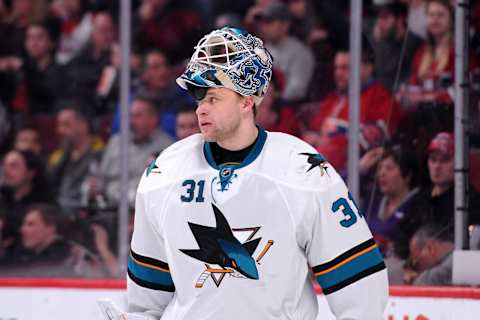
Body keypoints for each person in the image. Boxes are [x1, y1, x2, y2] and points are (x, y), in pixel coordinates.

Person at [115, 27, 388, 320]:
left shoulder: (304, 173)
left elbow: (362, 292)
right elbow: (145, 303)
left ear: (247, 101)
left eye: (213, 98)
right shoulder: (163, 175)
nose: (200, 110)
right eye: (198, 98)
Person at [303, 50, 400, 171]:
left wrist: (331, 137)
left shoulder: (380, 96)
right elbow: (313, 131)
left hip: (352, 172)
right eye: (336, 68)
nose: (338, 73)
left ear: (367, 69)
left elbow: (376, 136)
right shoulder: (333, 99)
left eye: (345, 68)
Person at [100, 95, 174, 207]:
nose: (132, 121)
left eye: (138, 116)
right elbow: (101, 178)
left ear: (153, 119)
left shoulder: (168, 147)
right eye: (131, 116)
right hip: (109, 209)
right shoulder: (116, 142)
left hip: (144, 210)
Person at [48, 106, 104, 216]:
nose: (60, 130)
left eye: (66, 125)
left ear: (83, 126)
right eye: (59, 125)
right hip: (59, 214)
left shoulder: (99, 156)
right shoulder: (59, 157)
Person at [257, 2, 314, 102]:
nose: (265, 26)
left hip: (290, 109)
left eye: (270, 21)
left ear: (285, 25)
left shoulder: (300, 53)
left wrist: (269, 97)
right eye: (263, 22)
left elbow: (297, 91)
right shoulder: (262, 50)